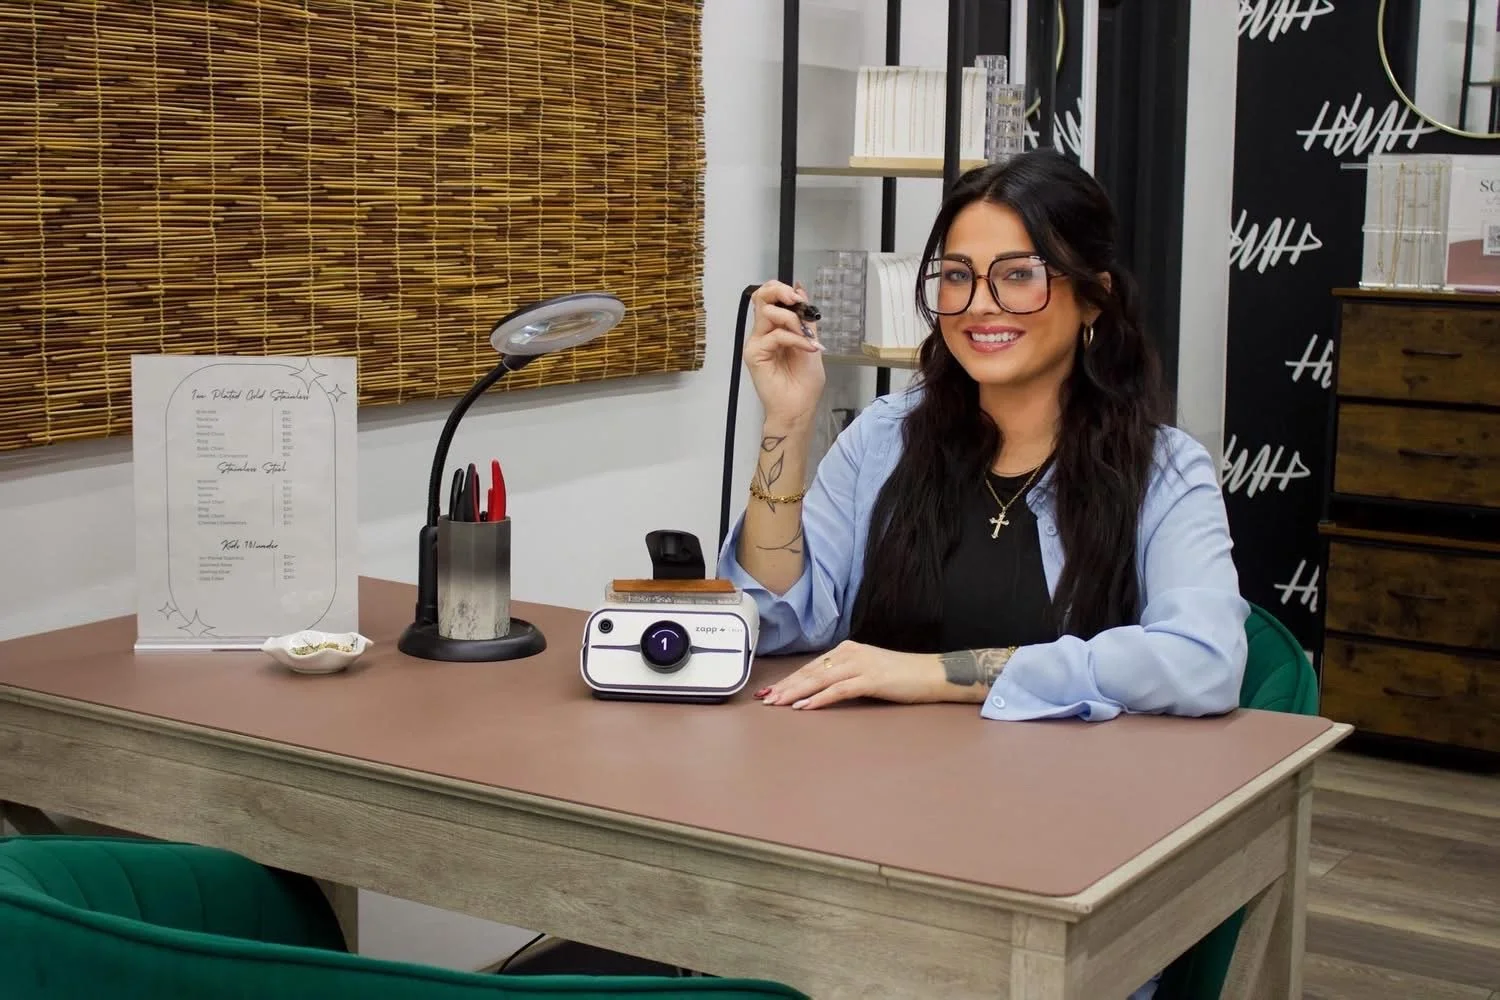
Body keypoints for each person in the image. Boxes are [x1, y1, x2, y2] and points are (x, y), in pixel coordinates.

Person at [718, 148, 1249, 725]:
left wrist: (940, 674)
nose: (980, 304)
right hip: (874, 770)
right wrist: (788, 422)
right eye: (957, 276)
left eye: (1019, 275)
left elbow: (1206, 662)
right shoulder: (882, 439)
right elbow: (776, 621)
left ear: (1093, 298)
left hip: (1070, 778)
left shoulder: (1162, 469)